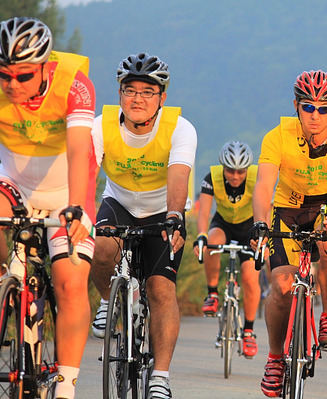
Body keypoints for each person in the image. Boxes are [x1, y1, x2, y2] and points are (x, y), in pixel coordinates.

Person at [251, 70, 327, 397]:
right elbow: (263, 187)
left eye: (323, 108)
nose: (314, 115)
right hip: (287, 210)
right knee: (281, 286)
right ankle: (275, 358)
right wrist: (260, 223)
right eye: (307, 107)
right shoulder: (277, 137)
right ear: (296, 105)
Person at [90, 52, 197, 398]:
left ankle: (160, 377)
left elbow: (179, 176)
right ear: (119, 93)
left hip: (162, 211)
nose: (138, 98)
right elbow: (86, 171)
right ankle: (109, 300)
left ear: (162, 98)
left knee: (161, 288)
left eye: (148, 92)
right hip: (118, 203)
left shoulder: (180, 128)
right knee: (101, 245)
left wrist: (175, 217)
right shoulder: (99, 125)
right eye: (130, 90)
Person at [0, 17, 96, 399]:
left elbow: (77, 150)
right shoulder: (4, 84)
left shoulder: (74, 84)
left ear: (44, 65)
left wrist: (74, 208)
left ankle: (66, 388)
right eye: (4, 75)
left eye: (23, 76)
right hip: (14, 182)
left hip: (66, 188)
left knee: (71, 282)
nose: (12, 85)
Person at [193, 140, 261, 358]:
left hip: (249, 228)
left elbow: (266, 209)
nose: (235, 176)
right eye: (230, 170)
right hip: (223, 224)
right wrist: (200, 236)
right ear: (223, 167)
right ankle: (212, 293)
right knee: (211, 243)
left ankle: (249, 332)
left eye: (240, 171)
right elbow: (204, 213)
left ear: (247, 169)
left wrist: (264, 240)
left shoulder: (257, 178)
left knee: (251, 278)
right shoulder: (211, 178)